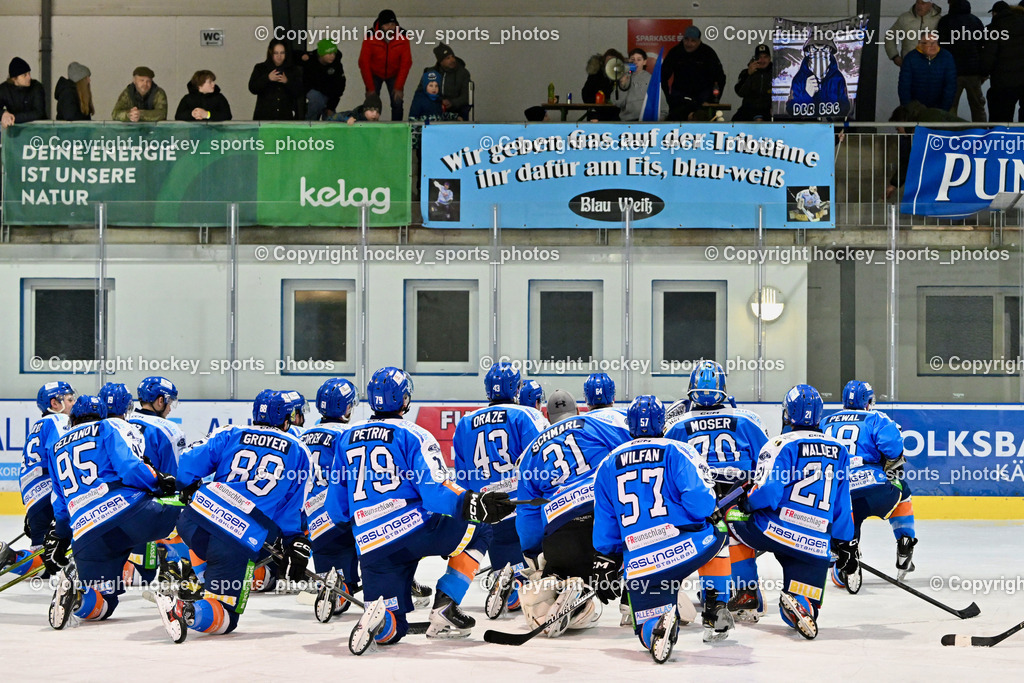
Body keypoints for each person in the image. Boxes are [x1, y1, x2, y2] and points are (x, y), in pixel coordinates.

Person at [323, 367, 516, 654]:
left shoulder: (346, 438)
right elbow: (435, 491)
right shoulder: (414, 434)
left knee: (392, 628)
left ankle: (379, 617)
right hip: (415, 531)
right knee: (481, 529)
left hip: (372, 546)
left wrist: (361, 528)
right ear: (404, 400)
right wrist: (473, 503)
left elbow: (336, 508)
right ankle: (446, 605)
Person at [593, 396, 727, 663]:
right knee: (720, 527)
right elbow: (700, 502)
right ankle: (716, 606)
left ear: (630, 425)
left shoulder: (607, 463)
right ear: (661, 423)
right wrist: (706, 513)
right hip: (685, 548)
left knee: (646, 627)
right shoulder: (678, 450)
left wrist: (607, 557)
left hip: (640, 561)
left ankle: (657, 626)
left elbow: (606, 523)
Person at [170, 390, 313, 637]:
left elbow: (189, 462)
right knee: (226, 616)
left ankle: (203, 581)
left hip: (193, 520)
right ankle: (185, 609)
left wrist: (188, 486)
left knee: (208, 545)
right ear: (286, 419)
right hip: (236, 537)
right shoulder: (299, 450)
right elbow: (293, 506)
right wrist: (294, 539)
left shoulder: (230, 432)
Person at [726, 384, 855, 640]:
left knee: (729, 519)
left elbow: (768, 493)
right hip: (815, 543)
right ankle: (800, 603)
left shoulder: (779, 444)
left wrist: (746, 503)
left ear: (787, 413)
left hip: (773, 531)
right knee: (804, 603)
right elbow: (843, 504)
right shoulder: (839, 450)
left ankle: (746, 591)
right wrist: (844, 543)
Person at [44, 395, 179, 632]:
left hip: (87, 533)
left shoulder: (56, 448)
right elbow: (130, 468)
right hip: (129, 513)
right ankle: (182, 578)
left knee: (105, 601)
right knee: (187, 513)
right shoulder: (107, 426)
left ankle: (78, 598)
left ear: (73, 418)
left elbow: (60, 504)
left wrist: (63, 535)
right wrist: (159, 482)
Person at [514, 388, 632, 638]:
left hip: (560, 532)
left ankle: (562, 583)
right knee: (638, 537)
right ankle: (634, 600)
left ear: (547, 416)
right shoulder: (598, 423)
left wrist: (533, 552)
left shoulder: (531, 452)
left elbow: (527, 512)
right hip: (602, 524)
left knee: (557, 569)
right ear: (579, 410)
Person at [664, 361, 769, 626]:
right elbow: (767, 461)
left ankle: (703, 594)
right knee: (738, 538)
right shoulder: (747, 419)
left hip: (699, 498)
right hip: (738, 495)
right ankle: (746, 593)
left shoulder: (677, 425)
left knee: (701, 542)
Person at [452, 362, 549, 618]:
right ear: (517, 389)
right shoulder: (526, 415)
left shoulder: (465, 423)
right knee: (543, 564)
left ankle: (509, 581)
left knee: (507, 561)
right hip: (523, 507)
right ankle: (529, 585)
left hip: (488, 511)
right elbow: (541, 458)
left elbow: (461, 476)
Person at [820, 381, 916, 585]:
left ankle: (842, 558)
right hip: (874, 487)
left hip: (838, 492)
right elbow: (893, 448)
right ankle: (905, 541)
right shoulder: (876, 417)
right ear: (868, 401)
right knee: (903, 491)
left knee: (847, 520)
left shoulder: (825, 422)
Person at [2, 382, 76, 578]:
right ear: (55, 403)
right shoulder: (60, 420)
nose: (73, 403)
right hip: (49, 494)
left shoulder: (39, 425)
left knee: (43, 565)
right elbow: (60, 454)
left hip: (33, 499)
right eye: (69, 399)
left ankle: (10, 557)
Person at [301, 379, 361, 618]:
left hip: (312, 518)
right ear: (347, 407)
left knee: (328, 564)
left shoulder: (303, 436)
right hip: (339, 512)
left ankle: (331, 587)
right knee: (383, 554)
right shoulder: (348, 435)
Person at [661, 25, 726, 121]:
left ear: (699, 41)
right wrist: (667, 99)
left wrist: (713, 101)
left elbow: (720, 78)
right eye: (686, 39)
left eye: (693, 41)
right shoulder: (675, 53)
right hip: (680, 98)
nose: (689, 43)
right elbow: (662, 77)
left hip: (703, 98)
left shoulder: (708, 53)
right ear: (683, 39)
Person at [359, 9, 413, 121]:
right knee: (371, 103)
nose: (390, 27)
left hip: (394, 74)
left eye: (393, 24)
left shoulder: (403, 35)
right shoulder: (370, 35)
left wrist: (398, 86)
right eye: (387, 24)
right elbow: (364, 63)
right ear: (380, 25)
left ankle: (397, 128)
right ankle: (370, 127)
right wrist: (370, 88)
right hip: (375, 73)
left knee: (397, 102)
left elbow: (406, 62)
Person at [938, 0, 988, 121]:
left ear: (951, 4)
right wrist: (983, 71)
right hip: (973, 71)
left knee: (950, 106)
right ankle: (981, 131)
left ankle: (950, 132)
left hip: (952, 72)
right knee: (977, 106)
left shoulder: (945, 21)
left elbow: (941, 47)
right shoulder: (975, 20)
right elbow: (983, 46)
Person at [129, 376, 185, 477]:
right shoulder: (168, 430)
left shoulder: (122, 422)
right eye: (169, 403)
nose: (169, 409)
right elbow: (176, 475)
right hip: (154, 487)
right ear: (160, 401)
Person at [785, 36, 851, 118]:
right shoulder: (799, 79)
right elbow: (790, 109)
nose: (820, 53)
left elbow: (845, 107)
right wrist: (806, 95)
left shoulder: (838, 78)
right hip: (806, 124)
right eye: (814, 49)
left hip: (829, 124)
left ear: (830, 51)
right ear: (808, 52)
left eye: (825, 49)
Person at [982, 1, 1024, 122]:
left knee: (1001, 119)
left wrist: (983, 73)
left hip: (1003, 82)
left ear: (995, 13)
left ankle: (1000, 134)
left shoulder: (994, 28)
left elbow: (988, 56)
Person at [898, 34, 957, 111]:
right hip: (915, 108)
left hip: (940, 108)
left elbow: (950, 86)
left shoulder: (947, 57)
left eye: (935, 42)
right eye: (928, 43)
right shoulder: (910, 58)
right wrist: (909, 109)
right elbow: (904, 87)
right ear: (920, 45)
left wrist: (943, 109)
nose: (933, 46)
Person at [248, 39, 303, 120]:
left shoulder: (293, 70)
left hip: (285, 117)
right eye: (276, 53)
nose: (279, 56)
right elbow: (252, 88)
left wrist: (287, 81)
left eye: (282, 53)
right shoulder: (260, 68)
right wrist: (267, 78)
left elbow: (299, 91)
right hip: (264, 116)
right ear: (271, 52)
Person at [612, 48, 667, 121]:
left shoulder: (650, 79)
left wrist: (660, 119)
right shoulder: (624, 77)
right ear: (629, 61)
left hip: (646, 121)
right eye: (632, 59)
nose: (635, 62)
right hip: (628, 121)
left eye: (639, 59)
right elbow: (617, 102)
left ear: (644, 62)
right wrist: (622, 85)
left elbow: (662, 103)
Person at [885, 0, 944, 66]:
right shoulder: (904, 18)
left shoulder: (939, 20)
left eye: (923, 3)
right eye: (918, 2)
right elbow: (890, 36)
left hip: (931, 66)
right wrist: (895, 56)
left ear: (930, 4)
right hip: (908, 65)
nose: (919, 6)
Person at [299, 39, 346, 121]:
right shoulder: (310, 60)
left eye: (334, 53)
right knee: (317, 100)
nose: (332, 56)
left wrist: (331, 107)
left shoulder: (336, 65)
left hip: (329, 94)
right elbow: (293, 55)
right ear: (321, 54)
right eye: (329, 53)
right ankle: (310, 123)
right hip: (313, 91)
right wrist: (301, 56)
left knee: (331, 118)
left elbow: (339, 88)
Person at [426, 43, 472, 121]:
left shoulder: (463, 73)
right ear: (441, 61)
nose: (452, 60)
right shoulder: (430, 73)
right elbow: (422, 93)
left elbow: (466, 97)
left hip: (458, 111)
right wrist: (439, 102)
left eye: (452, 57)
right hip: (435, 110)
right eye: (448, 58)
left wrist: (452, 103)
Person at [0, 57, 47, 129]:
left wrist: (13, 118)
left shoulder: (36, 87)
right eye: (24, 75)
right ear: (14, 78)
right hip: (15, 131)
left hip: (38, 129)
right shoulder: (4, 89)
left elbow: (38, 113)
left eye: (29, 73)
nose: (29, 77)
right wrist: (3, 114)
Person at [733, 44, 773, 121]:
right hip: (748, 111)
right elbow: (740, 93)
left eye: (765, 57)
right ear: (755, 59)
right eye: (759, 57)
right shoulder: (746, 73)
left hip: (768, 111)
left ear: (769, 59)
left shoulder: (777, 73)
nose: (762, 60)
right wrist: (748, 74)